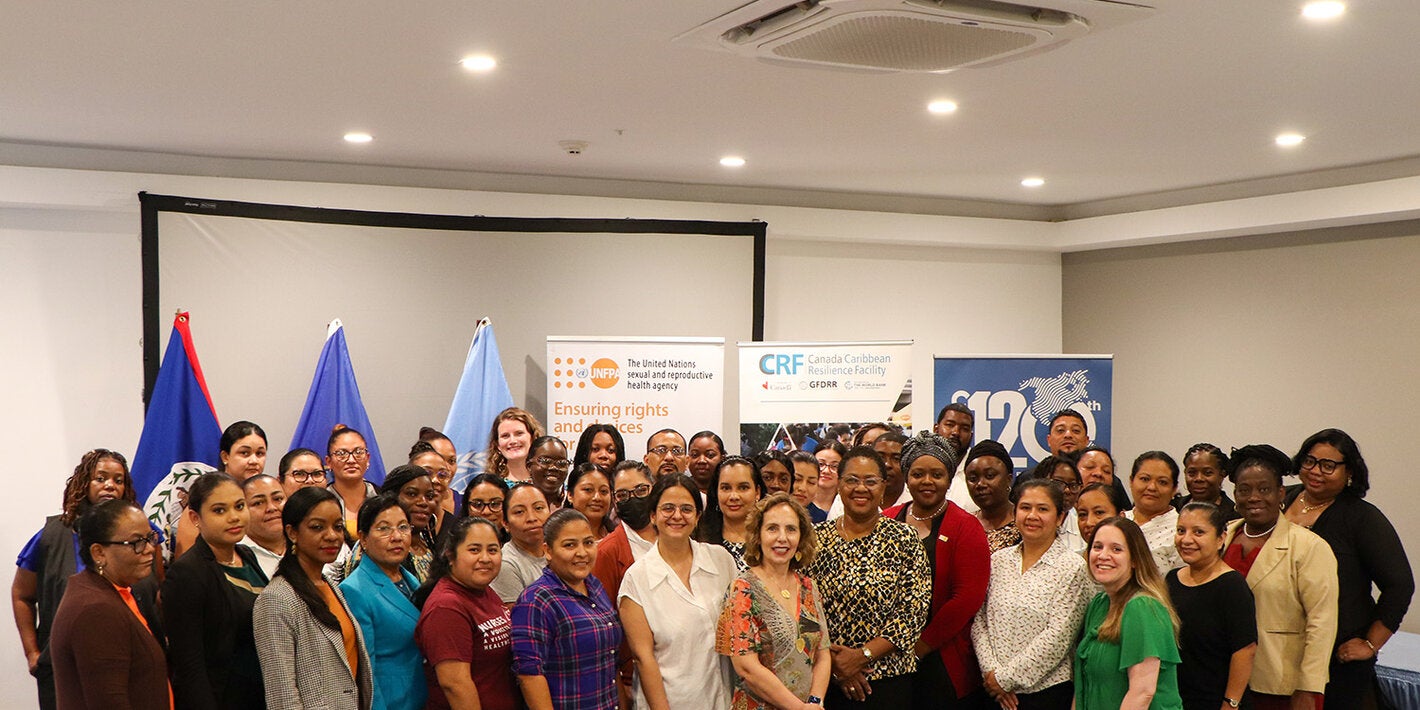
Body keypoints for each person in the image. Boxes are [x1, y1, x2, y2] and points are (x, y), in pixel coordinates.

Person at [11, 448, 161, 710]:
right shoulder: (51, 536)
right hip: (65, 669)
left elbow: (157, 590)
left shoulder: (148, 535)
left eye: (118, 480)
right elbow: (22, 594)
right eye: (100, 478)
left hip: (136, 663)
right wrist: (32, 653)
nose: (109, 486)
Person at [1283, 429, 1413, 709]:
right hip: (1281, 649)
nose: (1316, 471)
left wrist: (1370, 644)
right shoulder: (1282, 500)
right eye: (1310, 461)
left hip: (1337, 656)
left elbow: (1400, 585)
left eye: (1328, 465)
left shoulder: (1363, 518)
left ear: (1350, 472)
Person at [807, 446, 930, 708]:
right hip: (826, 677)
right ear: (839, 485)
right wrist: (837, 663)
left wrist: (861, 656)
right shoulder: (815, 539)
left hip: (889, 680)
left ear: (883, 486)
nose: (860, 488)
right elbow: (803, 609)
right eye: (851, 480)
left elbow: (913, 612)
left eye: (870, 481)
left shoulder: (905, 538)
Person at [1222, 444, 1337, 710]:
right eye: (1244, 489)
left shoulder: (1309, 547)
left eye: (1264, 489)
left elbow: (1322, 622)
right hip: (1226, 678)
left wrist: (1310, 686)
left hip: (1281, 683)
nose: (1254, 497)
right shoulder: (1224, 536)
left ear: (1281, 493)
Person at [883, 432, 991, 710]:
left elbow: (966, 598)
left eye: (937, 474)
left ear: (949, 478)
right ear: (907, 477)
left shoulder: (966, 526)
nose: (927, 481)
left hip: (941, 658)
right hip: (885, 658)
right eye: (918, 474)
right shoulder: (885, 519)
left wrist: (919, 647)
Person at [972, 479, 1093, 710]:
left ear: (1059, 518)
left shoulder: (1072, 566)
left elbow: (1059, 637)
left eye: (1043, 509)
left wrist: (1006, 680)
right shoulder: (998, 560)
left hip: (1046, 693)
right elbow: (980, 620)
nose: (1032, 516)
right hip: (993, 692)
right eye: (1025, 507)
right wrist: (992, 675)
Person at [620, 474, 738, 709]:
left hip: (723, 699)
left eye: (686, 509)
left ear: (697, 516)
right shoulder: (637, 578)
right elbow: (644, 659)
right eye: (668, 508)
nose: (677, 516)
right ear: (653, 515)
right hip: (670, 702)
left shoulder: (721, 561)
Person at [253, 487, 373, 710]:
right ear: (292, 533)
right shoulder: (277, 599)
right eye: (317, 527)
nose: (332, 535)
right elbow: (282, 696)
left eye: (338, 526)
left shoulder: (330, 586)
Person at [48, 499, 169, 710]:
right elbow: (109, 701)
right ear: (99, 553)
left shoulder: (114, 592)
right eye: (136, 542)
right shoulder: (96, 611)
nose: (150, 549)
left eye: (150, 538)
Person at [162, 472, 267, 710]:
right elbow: (189, 667)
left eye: (239, 506)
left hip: (261, 694)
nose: (234, 517)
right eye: (219, 510)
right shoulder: (187, 573)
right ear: (195, 517)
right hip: (223, 699)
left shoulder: (247, 555)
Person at [717, 493, 832, 710]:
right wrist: (799, 708)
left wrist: (815, 702)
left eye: (791, 529)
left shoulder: (809, 587)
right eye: (772, 528)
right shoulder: (742, 589)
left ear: (801, 537)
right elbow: (747, 668)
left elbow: (823, 655)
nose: (782, 538)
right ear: (757, 536)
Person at [512, 508, 623, 710]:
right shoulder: (536, 600)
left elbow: (611, 661)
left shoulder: (594, 586)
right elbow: (529, 675)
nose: (582, 553)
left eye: (588, 543)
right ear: (548, 551)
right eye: (569, 545)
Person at [1076, 517, 1183, 710]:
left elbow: (1142, 693)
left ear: (1135, 559)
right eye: (1097, 547)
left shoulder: (1143, 607)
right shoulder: (1099, 604)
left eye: (1116, 549)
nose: (1103, 555)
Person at [415, 516, 520, 710]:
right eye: (474, 550)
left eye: (493, 550)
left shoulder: (485, 591)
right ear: (450, 555)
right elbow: (455, 685)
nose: (485, 558)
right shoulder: (446, 607)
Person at [1166, 502, 1257, 710]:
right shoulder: (1171, 580)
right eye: (1181, 531)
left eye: (1198, 532)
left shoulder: (1232, 586)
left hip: (1217, 702)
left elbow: (1246, 650)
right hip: (1177, 700)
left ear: (1220, 539)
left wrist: (1230, 704)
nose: (1186, 540)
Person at [340, 495, 426, 710]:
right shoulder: (354, 590)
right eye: (384, 529)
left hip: (424, 696)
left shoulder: (410, 579)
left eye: (403, 527)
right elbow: (365, 669)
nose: (397, 537)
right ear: (363, 538)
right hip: (391, 702)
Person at [175, 420, 270, 556]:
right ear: (225, 456)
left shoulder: (269, 498)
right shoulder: (204, 497)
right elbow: (185, 561)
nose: (254, 461)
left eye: (260, 454)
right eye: (245, 453)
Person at [593, 461, 657, 604]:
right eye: (622, 494)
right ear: (614, 500)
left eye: (641, 490)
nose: (632, 498)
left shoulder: (674, 534)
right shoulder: (606, 552)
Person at [697, 456, 767, 570]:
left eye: (743, 488)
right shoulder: (699, 540)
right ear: (716, 492)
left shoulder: (771, 539)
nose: (734, 496)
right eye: (726, 488)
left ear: (757, 492)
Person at [491, 483, 551, 605]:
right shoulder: (506, 564)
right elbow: (519, 619)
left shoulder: (558, 551)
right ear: (505, 523)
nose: (531, 518)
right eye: (519, 512)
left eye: (539, 508)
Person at [1125, 451, 1184, 573]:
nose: (1152, 487)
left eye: (1162, 482)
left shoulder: (1181, 530)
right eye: (1144, 479)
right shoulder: (1118, 520)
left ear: (1174, 489)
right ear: (1131, 481)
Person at [964, 440, 1021, 553]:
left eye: (989, 476)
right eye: (973, 479)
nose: (980, 484)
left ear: (1009, 479)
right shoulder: (964, 525)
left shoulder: (1026, 523)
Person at [327, 426, 379, 538]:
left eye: (358, 452)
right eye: (341, 454)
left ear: (368, 458)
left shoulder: (382, 496)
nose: (351, 460)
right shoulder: (321, 502)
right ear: (329, 462)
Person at [1172, 444, 1239, 523]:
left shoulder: (1234, 516)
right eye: (1192, 473)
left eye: (1207, 473)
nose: (1198, 478)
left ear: (1222, 474)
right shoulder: (1174, 508)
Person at [1032, 455, 1085, 552]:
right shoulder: (1026, 523)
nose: (1067, 490)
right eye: (1058, 483)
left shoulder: (1083, 529)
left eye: (1073, 485)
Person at [240, 474, 287, 579]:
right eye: (258, 503)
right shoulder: (236, 555)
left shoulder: (304, 544)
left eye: (278, 499)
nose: (271, 508)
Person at [410, 440, 456, 537]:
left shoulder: (459, 528)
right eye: (427, 473)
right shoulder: (398, 523)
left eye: (442, 475)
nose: (436, 480)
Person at [486, 407, 545, 483]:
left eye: (519, 433)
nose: (512, 441)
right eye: (505, 436)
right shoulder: (490, 486)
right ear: (497, 445)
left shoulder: (549, 483)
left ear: (533, 437)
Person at [417, 427, 461, 518]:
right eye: (440, 459)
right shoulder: (402, 506)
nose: (447, 468)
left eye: (452, 461)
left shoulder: (466, 504)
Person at [1076, 482, 1130, 555]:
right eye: (1083, 514)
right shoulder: (1072, 562)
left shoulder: (1135, 560)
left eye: (1099, 512)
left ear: (1121, 517)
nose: (1089, 522)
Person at [1074, 444, 1132, 510]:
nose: (1099, 473)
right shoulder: (1062, 514)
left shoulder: (1121, 518)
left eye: (1106, 471)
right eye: (1090, 467)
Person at [568, 462, 615, 539]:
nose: (597, 497)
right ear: (570, 495)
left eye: (603, 491)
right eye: (588, 489)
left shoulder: (618, 537)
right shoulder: (555, 534)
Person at [526, 436, 572, 508]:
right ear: (529, 466)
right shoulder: (516, 502)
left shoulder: (573, 503)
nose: (553, 468)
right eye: (545, 461)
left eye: (561, 463)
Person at [462, 472, 510, 537]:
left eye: (495, 504)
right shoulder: (454, 544)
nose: (486, 512)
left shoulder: (522, 543)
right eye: (478, 505)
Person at [687, 430, 727, 502]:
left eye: (710, 455)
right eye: (695, 455)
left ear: (722, 458)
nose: (701, 460)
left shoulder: (729, 491)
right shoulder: (681, 489)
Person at [873, 431, 909, 510]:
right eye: (880, 457)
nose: (887, 464)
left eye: (896, 459)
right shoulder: (855, 498)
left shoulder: (915, 501)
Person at [811, 440, 846, 519]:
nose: (826, 471)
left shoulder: (847, 505)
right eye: (821, 464)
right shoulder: (801, 500)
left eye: (834, 466)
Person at [787, 451, 824, 523]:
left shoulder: (821, 520)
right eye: (797, 479)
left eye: (811, 482)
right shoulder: (765, 512)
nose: (803, 488)